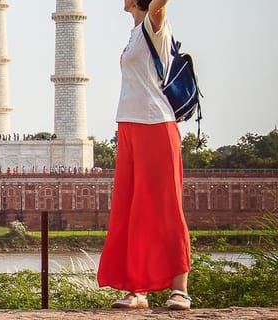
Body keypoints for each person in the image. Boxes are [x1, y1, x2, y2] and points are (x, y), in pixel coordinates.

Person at [96, 0, 192, 311]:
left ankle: (180, 290)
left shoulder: (155, 23)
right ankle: (137, 289)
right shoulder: (135, 33)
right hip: (129, 126)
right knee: (131, 207)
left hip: (156, 125)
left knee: (166, 207)